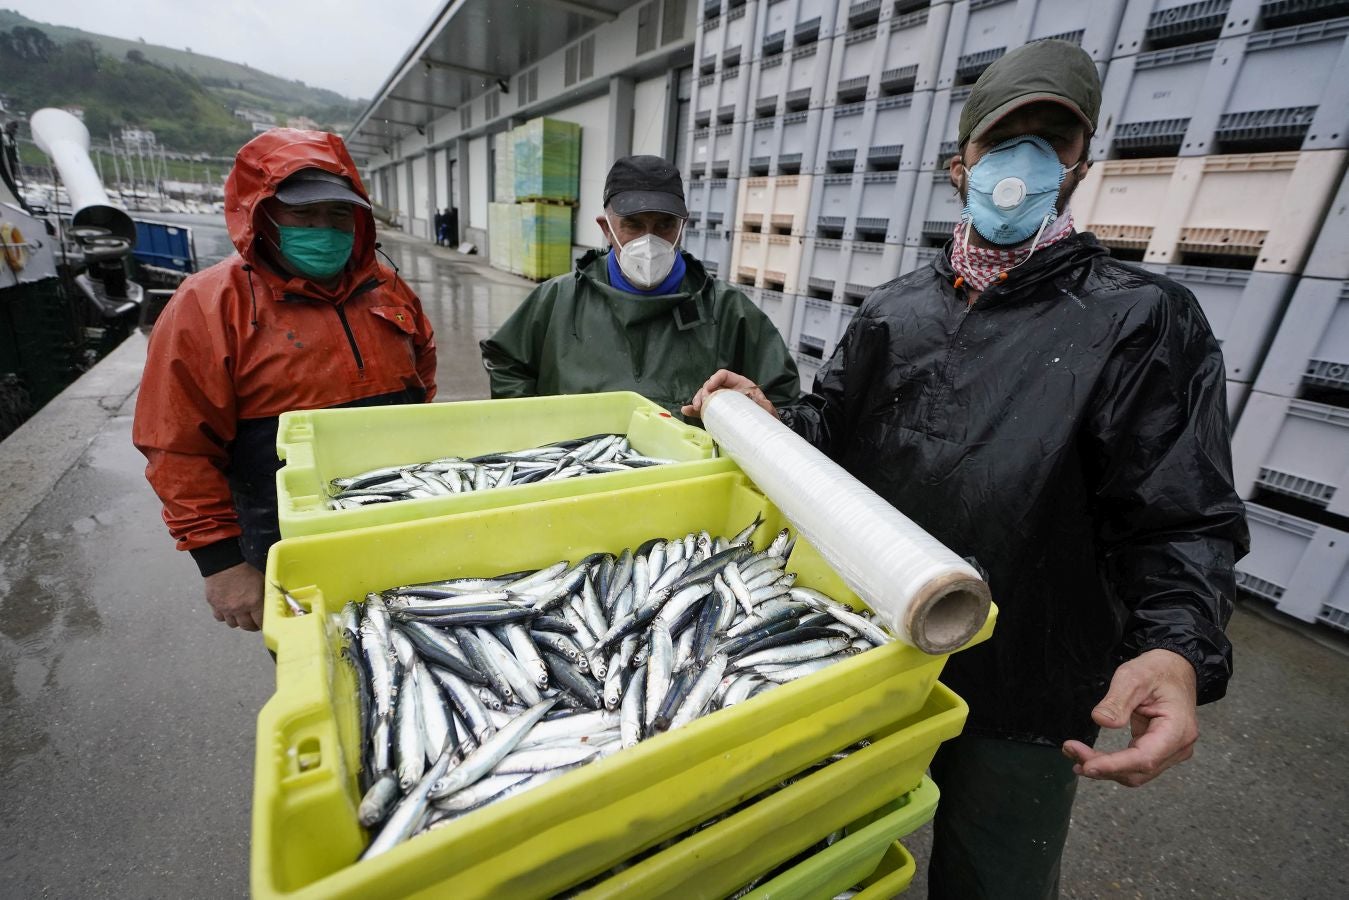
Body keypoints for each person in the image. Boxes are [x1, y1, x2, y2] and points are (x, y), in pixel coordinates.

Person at [684, 40, 1248, 898]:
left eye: (1049, 143)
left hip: (1026, 689)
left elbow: (1181, 514)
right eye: (1000, 142)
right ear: (960, 166)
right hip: (871, 654)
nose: (1021, 165)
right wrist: (767, 420)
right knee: (829, 849)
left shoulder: (1141, 319)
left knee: (997, 878)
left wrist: (1174, 649)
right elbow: (828, 433)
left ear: (1077, 167)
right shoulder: (896, 309)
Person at [133, 129, 437, 632]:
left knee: (416, 638)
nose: (325, 228)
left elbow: (422, 369)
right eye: (303, 214)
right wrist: (222, 563)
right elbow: (175, 445)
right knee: (326, 658)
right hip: (281, 535)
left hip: (397, 517)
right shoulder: (207, 303)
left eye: (339, 214)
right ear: (263, 214)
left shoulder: (387, 287)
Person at [480, 155, 800, 415]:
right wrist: (531, 425)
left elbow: (781, 398)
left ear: (682, 227)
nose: (650, 240)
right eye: (633, 225)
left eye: (664, 224)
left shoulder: (727, 311)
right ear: (607, 229)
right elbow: (508, 363)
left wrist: (757, 411)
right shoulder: (557, 301)